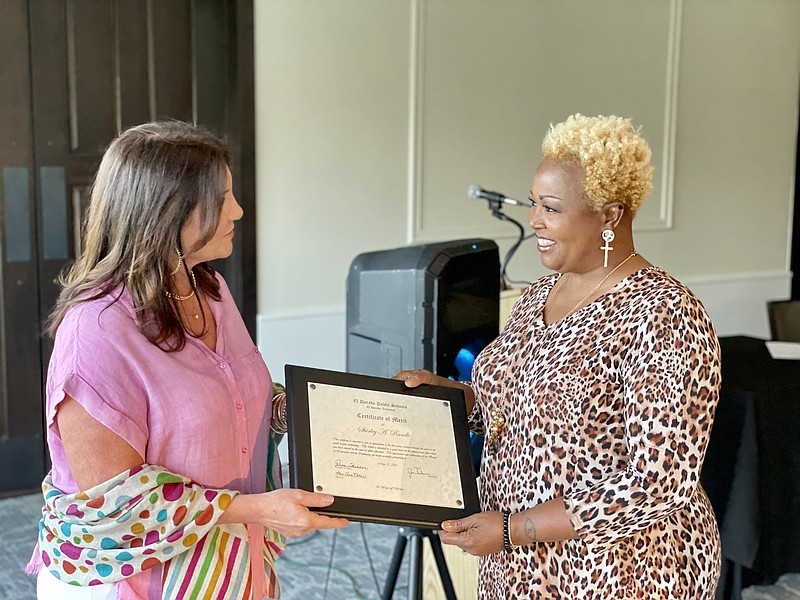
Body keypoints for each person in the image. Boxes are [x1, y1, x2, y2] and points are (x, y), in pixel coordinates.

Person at [397, 114, 721, 598]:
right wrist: (460, 402)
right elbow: (526, 413)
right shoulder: (537, 296)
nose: (534, 221)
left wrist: (514, 528)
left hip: (619, 571)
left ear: (609, 215)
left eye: (550, 208)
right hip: (517, 565)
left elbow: (657, 483)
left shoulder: (665, 313)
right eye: (533, 205)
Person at [26, 120, 348, 600]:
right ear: (165, 213)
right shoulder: (94, 330)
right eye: (220, 200)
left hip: (232, 567)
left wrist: (298, 409)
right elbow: (117, 503)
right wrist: (257, 509)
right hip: (133, 581)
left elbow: (235, 398)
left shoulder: (209, 289)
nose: (237, 211)